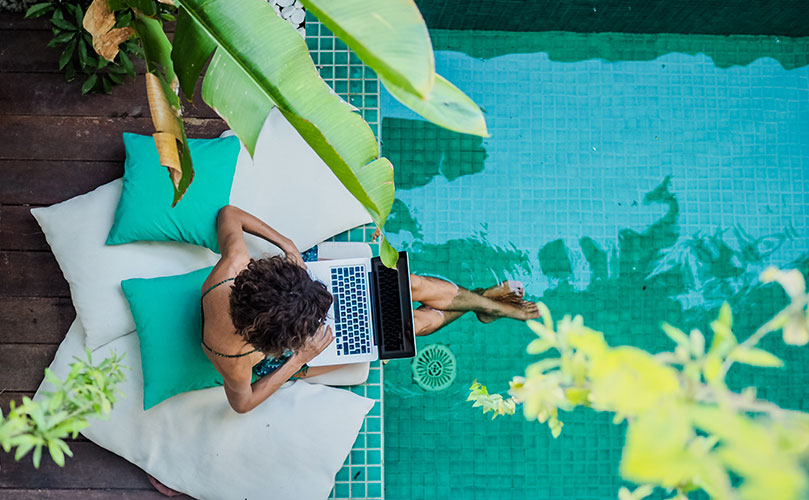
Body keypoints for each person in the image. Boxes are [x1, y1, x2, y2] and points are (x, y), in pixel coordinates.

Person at [201, 205, 540, 414]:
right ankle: (487, 305)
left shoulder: (234, 267)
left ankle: (485, 305)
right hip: (298, 352)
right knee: (412, 324)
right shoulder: (235, 359)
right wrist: (300, 358)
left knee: (412, 285)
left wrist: (288, 248)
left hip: (291, 299)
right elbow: (242, 404)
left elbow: (229, 214)